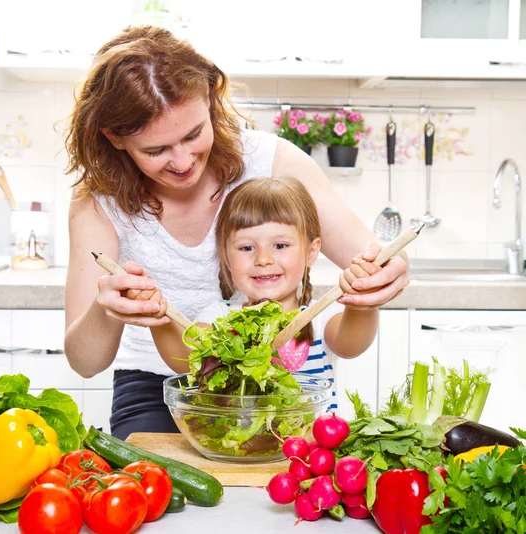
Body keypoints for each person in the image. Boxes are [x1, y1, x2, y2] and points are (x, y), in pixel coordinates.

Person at [63, 25, 410, 439]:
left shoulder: (271, 160)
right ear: (115, 138)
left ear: (210, 99)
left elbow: (373, 261)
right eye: (155, 150)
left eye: (194, 134)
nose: (182, 161)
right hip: (154, 386)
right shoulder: (97, 202)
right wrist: (112, 309)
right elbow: (86, 363)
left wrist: (380, 278)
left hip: (287, 397)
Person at [148, 176, 380, 412]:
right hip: (241, 447)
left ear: (311, 251)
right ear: (226, 256)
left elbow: (351, 344)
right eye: (247, 248)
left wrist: (362, 302)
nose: (263, 259)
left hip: (312, 447)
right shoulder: (219, 317)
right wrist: (157, 317)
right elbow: (188, 359)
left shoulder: (318, 316)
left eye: (280, 245)